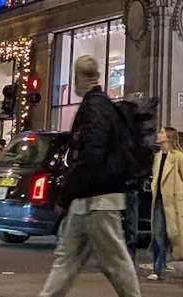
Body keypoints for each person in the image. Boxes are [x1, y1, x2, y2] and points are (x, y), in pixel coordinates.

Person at [36, 54, 140, 297]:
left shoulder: (95, 107)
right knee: (67, 258)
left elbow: (91, 156)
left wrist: (65, 196)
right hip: (87, 199)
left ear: (78, 78)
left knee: (113, 262)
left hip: (97, 199)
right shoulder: (100, 106)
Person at [148, 127, 183, 280]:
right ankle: (158, 269)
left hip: (175, 201)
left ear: (168, 137)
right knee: (158, 235)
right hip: (158, 200)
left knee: (177, 235)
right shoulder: (157, 157)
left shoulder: (179, 157)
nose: (159, 134)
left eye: (162, 132)